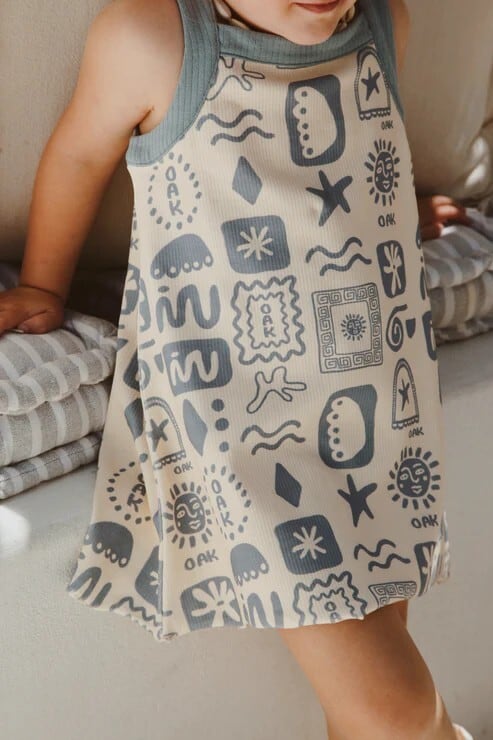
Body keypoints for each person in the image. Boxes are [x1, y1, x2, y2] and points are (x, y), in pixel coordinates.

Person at [0, 1, 474, 737]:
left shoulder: (385, 24)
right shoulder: (153, 39)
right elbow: (79, 156)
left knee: (365, 705)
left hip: (377, 409)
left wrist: (397, 202)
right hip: (242, 434)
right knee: (399, 712)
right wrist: (42, 286)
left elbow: (349, 157)